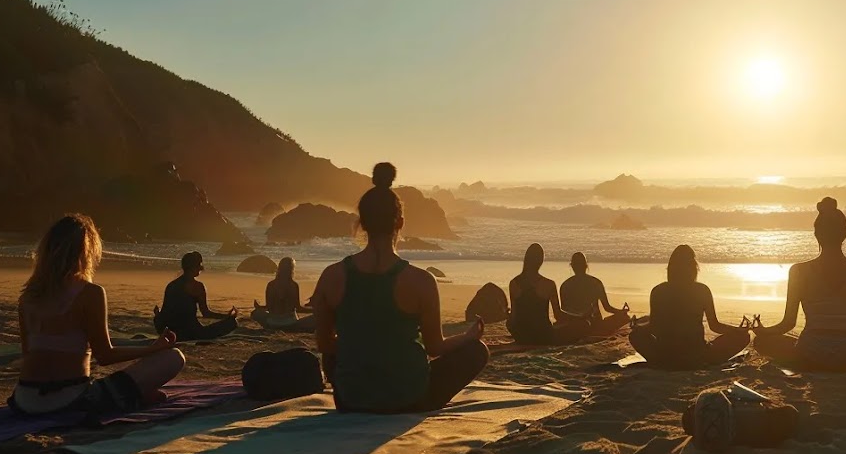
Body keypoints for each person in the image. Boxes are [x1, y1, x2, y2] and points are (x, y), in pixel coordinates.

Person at [312, 162, 489, 413]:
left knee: (334, 356)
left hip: (351, 400)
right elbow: (435, 348)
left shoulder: (331, 276)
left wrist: (363, 341)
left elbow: (325, 346)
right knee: (476, 351)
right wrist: (466, 338)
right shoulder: (421, 281)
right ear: (401, 223)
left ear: (361, 223)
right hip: (408, 400)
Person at [12, 214, 185, 415]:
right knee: (174, 357)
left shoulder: (28, 296)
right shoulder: (89, 293)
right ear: (85, 252)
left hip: (24, 399)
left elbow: (29, 354)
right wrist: (154, 349)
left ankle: (134, 395)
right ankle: (133, 396)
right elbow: (104, 356)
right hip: (70, 399)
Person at [754, 197, 846, 371]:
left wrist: (763, 331)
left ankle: (805, 362)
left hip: (810, 352)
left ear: (816, 234)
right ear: (845, 234)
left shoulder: (799, 271)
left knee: (761, 342)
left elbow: (788, 323)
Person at [629, 245, 753, 369]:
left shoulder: (658, 291)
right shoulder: (702, 290)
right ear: (694, 267)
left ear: (670, 268)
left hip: (665, 354)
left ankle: (660, 361)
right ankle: (704, 360)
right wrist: (736, 330)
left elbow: (654, 327)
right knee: (743, 337)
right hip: (696, 354)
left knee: (635, 336)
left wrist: (638, 328)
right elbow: (715, 326)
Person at [507, 243, 592, 346]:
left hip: (522, 335)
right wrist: (580, 317)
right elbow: (558, 315)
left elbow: (514, 316)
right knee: (584, 325)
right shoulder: (548, 284)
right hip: (543, 335)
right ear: (541, 261)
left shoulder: (513, 283)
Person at [153, 251, 238, 341]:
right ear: (193, 267)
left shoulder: (171, 285)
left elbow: (164, 313)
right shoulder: (198, 286)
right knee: (232, 323)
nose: (201, 268)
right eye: (199, 265)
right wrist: (226, 317)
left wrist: (157, 315)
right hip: (191, 332)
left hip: (170, 331)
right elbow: (205, 313)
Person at [560, 252, 632, 337]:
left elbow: (563, 311)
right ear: (586, 266)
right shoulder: (596, 282)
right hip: (596, 325)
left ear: (572, 266)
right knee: (625, 318)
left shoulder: (565, 285)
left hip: (574, 326)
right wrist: (621, 312)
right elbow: (607, 307)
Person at [250, 257, 316, 333]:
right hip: (291, 323)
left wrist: (259, 307)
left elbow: (268, 307)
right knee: (316, 318)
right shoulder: (293, 285)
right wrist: (314, 310)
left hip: (272, 322)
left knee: (255, 313)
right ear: (291, 269)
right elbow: (298, 308)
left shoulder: (271, 285)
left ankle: (271, 326)